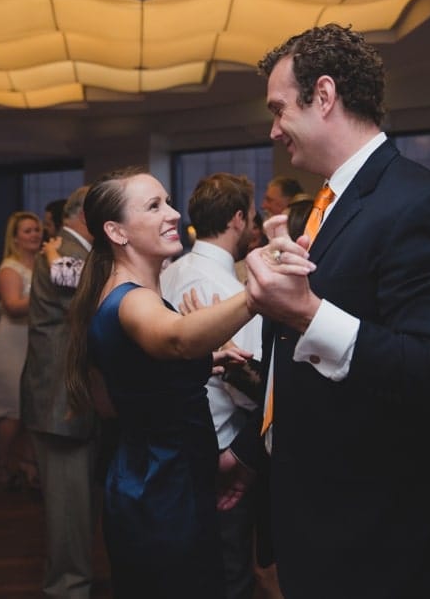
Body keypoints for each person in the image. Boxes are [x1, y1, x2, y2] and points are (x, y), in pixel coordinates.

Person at [243, 23, 430, 597]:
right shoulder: (327, 206)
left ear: (324, 96)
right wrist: (251, 450)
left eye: (279, 110)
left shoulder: (424, 203)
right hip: (318, 510)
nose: (273, 129)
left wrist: (306, 312)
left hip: (379, 531)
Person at [65, 167, 289, 599]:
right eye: (154, 206)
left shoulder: (126, 290)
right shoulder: (130, 298)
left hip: (167, 478)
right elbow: (178, 337)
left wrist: (201, 365)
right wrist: (259, 291)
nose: (172, 215)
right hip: (158, 489)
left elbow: (115, 397)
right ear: (117, 231)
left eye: (168, 202)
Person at [159, 172, 264, 599]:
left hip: (172, 447)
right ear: (238, 219)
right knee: (229, 573)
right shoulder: (228, 290)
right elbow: (254, 389)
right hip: (220, 452)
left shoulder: (169, 273)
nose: (255, 225)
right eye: (254, 217)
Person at [20, 185, 98, 599]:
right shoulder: (66, 252)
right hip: (60, 401)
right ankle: (67, 590)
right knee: (69, 511)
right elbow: (86, 294)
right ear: (87, 213)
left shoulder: (68, 249)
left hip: (71, 399)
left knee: (77, 508)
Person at [0, 210, 42, 490]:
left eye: (37, 229)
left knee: (32, 410)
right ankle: (2, 461)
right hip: (11, 344)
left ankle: (29, 464)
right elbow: (12, 306)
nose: (35, 234)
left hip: (35, 343)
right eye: (28, 231)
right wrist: (45, 295)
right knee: (13, 412)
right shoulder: (10, 267)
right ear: (16, 238)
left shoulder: (43, 263)